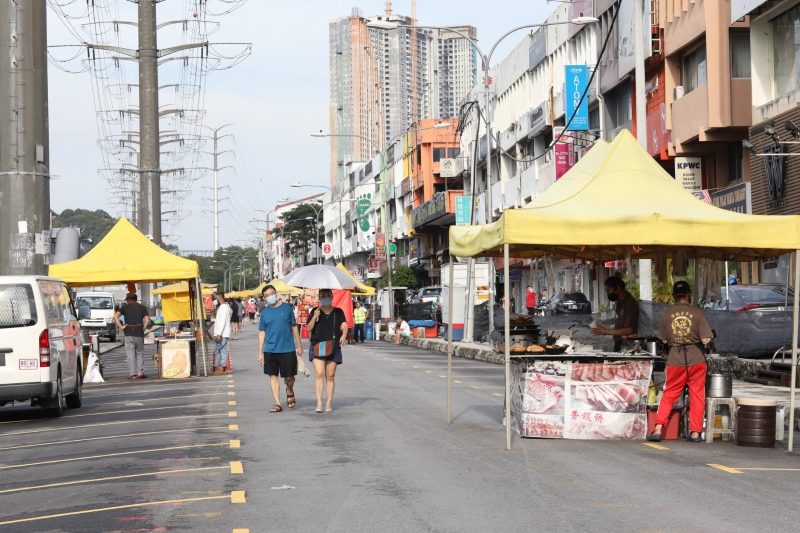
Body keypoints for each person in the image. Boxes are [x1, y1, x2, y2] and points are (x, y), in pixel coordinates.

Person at [648, 281, 712, 443]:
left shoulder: (667, 314)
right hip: (696, 359)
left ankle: (657, 430)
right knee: (697, 395)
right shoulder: (697, 314)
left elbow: (663, 338)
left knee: (669, 394)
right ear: (689, 294)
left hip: (675, 359)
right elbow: (705, 339)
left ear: (674, 296)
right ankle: (696, 433)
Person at [258, 285, 304, 413]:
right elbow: (262, 332)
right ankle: (278, 403)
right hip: (270, 349)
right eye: (267, 295)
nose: (270, 297)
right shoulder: (264, 312)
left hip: (287, 349)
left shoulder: (287, 308)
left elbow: (294, 327)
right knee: (273, 376)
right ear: (264, 298)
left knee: (289, 377)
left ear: (276, 293)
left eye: (271, 293)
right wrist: (260, 353)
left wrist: (299, 345)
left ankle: (289, 390)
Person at [307, 288, 348, 413]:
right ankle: (319, 402)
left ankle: (329, 402)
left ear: (332, 296)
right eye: (323, 296)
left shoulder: (338, 311)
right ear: (319, 298)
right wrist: (314, 317)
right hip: (317, 345)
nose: (325, 298)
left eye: (327, 295)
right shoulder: (315, 311)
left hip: (333, 345)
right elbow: (309, 328)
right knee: (319, 373)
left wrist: (344, 335)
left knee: (330, 376)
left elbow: (345, 325)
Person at [590, 276, 640, 352]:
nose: (608, 294)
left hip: (628, 345)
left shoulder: (630, 303)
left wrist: (605, 331)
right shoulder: (620, 302)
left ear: (618, 289)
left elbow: (628, 330)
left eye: (609, 291)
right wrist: (604, 329)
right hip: (620, 343)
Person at [114, 293, 150, 380]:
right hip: (139, 333)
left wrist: (121, 326)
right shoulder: (142, 307)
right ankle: (140, 372)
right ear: (135, 299)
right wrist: (143, 329)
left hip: (128, 332)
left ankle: (133, 374)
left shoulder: (124, 308)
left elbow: (115, 316)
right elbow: (147, 320)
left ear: (129, 299)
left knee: (130, 354)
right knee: (140, 353)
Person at [212, 293, 232, 375]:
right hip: (219, 332)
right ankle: (216, 367)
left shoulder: (224, 308)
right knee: (217, 350)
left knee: (222, 350)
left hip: (222, 333)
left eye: (215, 297)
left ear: (219, 297)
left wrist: (219, 333)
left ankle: (224, 368)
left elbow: (223, 321)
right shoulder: (222, 307)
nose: (214, 299)